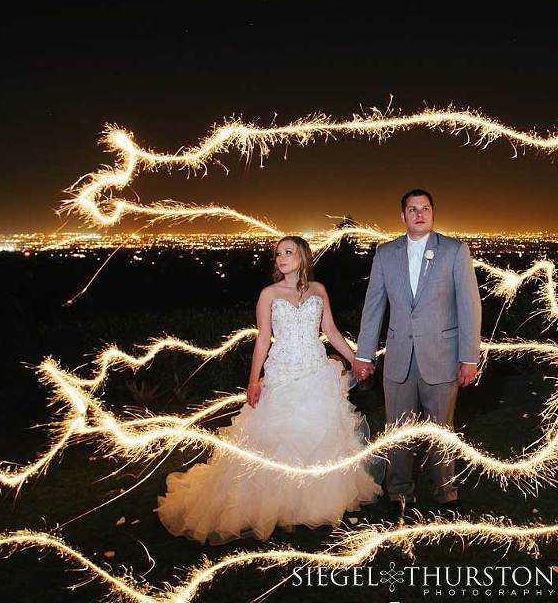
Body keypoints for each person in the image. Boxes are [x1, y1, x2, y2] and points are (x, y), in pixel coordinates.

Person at [156, 235, 382, 544]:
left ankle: (313, 504)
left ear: (303, 257)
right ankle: (275, 504)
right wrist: (253, 381)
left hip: (315, 371)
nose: (281, 258)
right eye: (278, 254)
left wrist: (354, 360)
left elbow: (329, 330)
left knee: (319, 435)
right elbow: (263, 338)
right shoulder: (268, 294)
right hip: (282, 373)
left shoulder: (318, 290)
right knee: (278, 437)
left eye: (288, 252)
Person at [354, 189, 482, 522]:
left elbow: (470, 308)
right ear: (403, 216)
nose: (419, 214)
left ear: (433, 213)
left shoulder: (454, 251)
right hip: (398, 360)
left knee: (442, 431)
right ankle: (398, 494)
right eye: (413, 209)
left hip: (442, 358)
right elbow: (373, 309)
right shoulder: (385, 254)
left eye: (425, 208)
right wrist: (364, 355)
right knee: (398, 431)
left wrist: (469, 357)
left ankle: (447, 496)